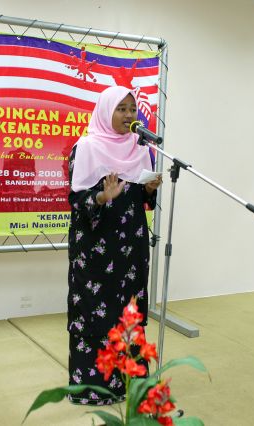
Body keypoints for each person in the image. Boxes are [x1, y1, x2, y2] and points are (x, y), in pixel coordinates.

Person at [66, 86, 162, 405]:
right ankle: (94, 389)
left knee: (129, 313)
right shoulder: (86, 147)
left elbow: (140, 200)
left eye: (132, 109)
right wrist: (102, 197)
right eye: (121, 109)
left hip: (131, 246)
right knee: (95, 314)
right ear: (106, 111)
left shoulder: (140, 148)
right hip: (95, 249)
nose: (128, 115)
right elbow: (76, 200)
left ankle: (131, 386)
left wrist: (148, 190)